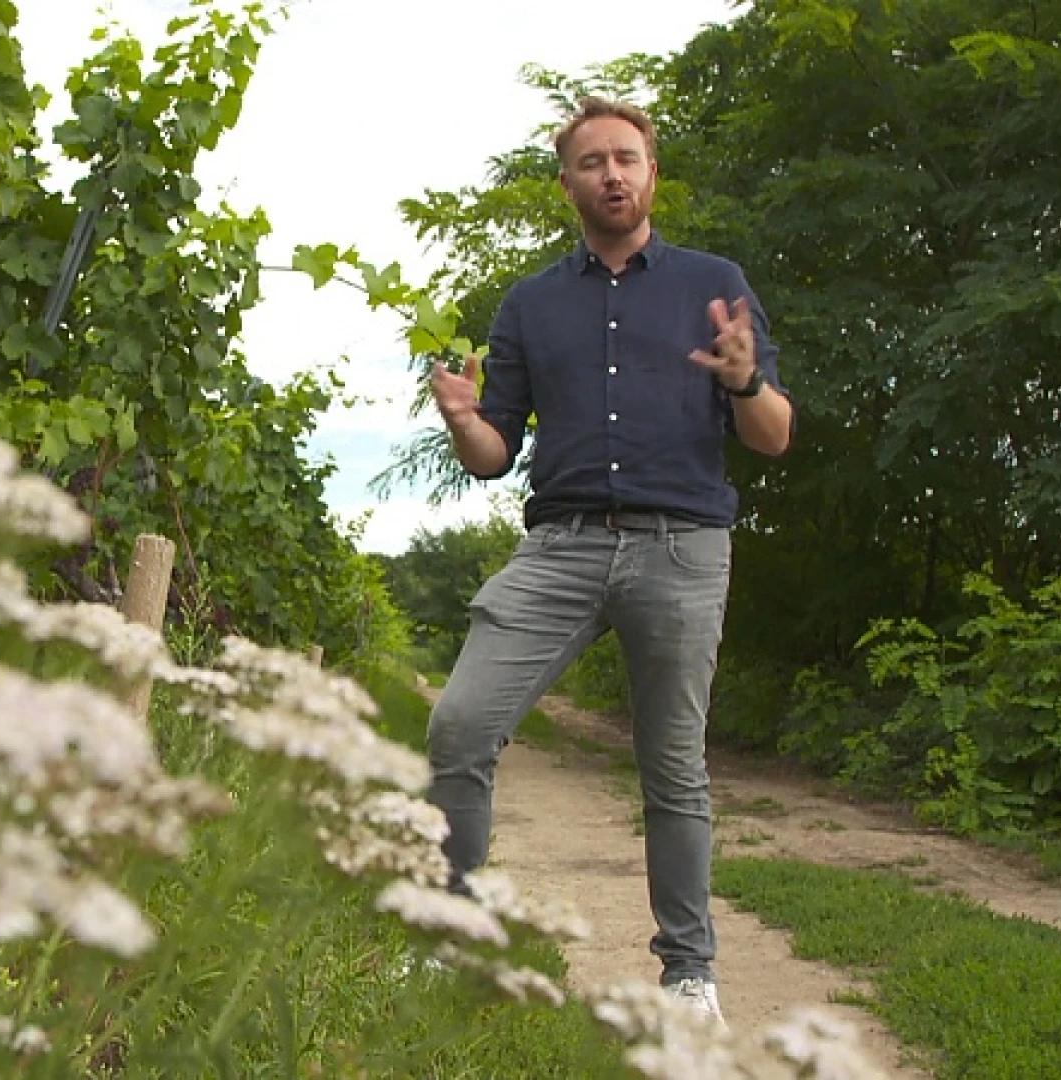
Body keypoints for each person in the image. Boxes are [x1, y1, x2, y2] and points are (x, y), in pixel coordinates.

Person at [423, 95, 794, 1029]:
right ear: (569, 182)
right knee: (460, 728)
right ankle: (454, 940)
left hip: (682, 547)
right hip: (561, 546)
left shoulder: (715, 284)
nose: (612, 175)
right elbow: (496, 454)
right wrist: (468, 421)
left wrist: (746, 379)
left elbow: (774, 435)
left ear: (653, 173)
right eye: (592, 163)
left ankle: (689, 977)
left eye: (627, 158)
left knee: (673, 767)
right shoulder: (531, 302)